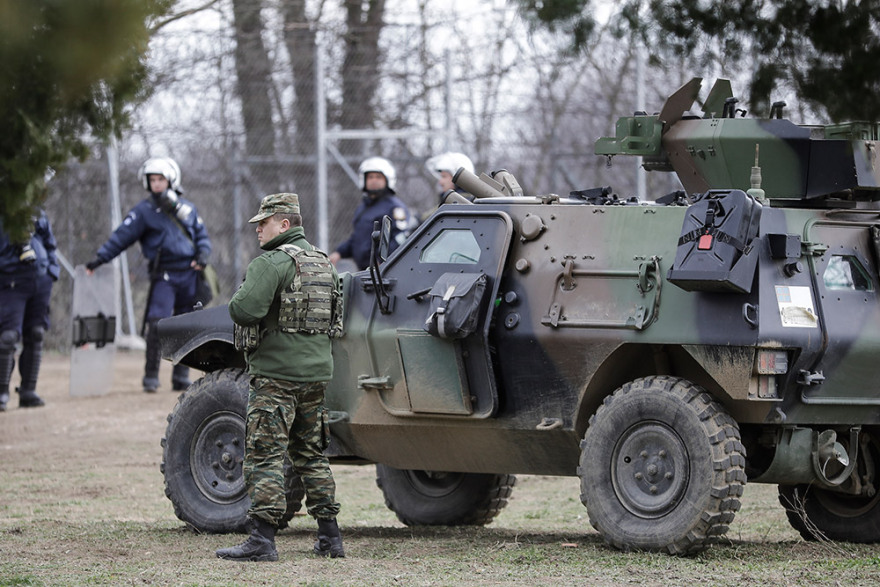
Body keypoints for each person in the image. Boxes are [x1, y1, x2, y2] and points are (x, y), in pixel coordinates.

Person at [217, 193, 344, 562]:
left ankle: (262, 539)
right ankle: (330, 537)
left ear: (285, 224)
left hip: (276, 376)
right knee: (311, 454)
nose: (258, 229)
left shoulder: (271, 263)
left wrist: (240, 292)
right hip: (317, 375)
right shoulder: (323, 264)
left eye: (265, 222)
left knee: (264, 455)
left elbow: (243, 309)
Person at [85, 157, 211, 393]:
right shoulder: (143, 211)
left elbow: (202, 237)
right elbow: (121, 238)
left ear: (171, 180)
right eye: (152, 179)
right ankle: (151, 375)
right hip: (164, 275)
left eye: (160, 179)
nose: (156, 184)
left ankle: (180, 375)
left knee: (187, 323)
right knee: (157, 323)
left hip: (189, 274)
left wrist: (203, 255)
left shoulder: (188, 209)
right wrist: (100, 258)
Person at [0, 211, 59, 411]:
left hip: (40, 279)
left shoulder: (37, 210)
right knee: (8, 337)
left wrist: (52, 270)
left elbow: (49, 242)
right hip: (11, 279)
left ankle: (28, 391)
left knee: (36, 333)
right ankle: (2, 392)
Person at [328, 157, 413, 270]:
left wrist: (383, 261)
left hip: (384, 271)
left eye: (378, 177)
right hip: (365, 271)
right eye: (370, 177)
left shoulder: (395, 207)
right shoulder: (363, 207)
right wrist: (339, 252)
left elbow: (401, 237)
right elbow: (357, 238)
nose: (373, 180)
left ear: (388, 179)